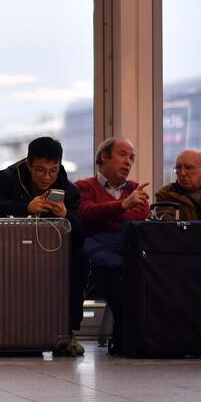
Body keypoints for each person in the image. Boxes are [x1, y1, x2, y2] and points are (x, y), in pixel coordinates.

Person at [0, 136, 86, 356]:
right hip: (9, 251)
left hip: (52, 253)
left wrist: (66, 216)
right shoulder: (7, 178)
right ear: (28, 164)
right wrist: (24, 206)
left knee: (81, 258)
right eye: (40, 170)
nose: (47, 177)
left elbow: (81, 235)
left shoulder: (68, 189)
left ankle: (69, 330)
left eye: (53, 171)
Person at [75, 137, 150, 347]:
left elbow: (138, 218)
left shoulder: (135, 188)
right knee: (111, 267)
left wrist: (110, 214)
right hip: (96, 249)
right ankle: (126, 336)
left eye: (132, 158)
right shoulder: (84, 186)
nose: (128, 162)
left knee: (132, 267)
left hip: (126, 246)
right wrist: (123, 205)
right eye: (123, 154)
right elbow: (86, 214)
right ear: (104, 157)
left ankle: (127, 336)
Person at [155, 149, 201, 220]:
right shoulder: (166, 193)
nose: (182, 173)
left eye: (188, 168)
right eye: (178, 168)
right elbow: (168, 226)